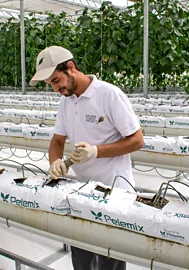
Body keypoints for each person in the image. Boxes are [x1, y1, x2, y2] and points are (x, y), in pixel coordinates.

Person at [30, 46, 144, 270]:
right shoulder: (66, 102)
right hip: (81, 192)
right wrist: (55, 161)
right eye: (50, 84)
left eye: (56, 80)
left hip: (114, 191)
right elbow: (57, 141)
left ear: (71, 68)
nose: (55, 88)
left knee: (110, 259)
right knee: (81, 256)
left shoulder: (108, 94)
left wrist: (96, 151)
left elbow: (137, 140)